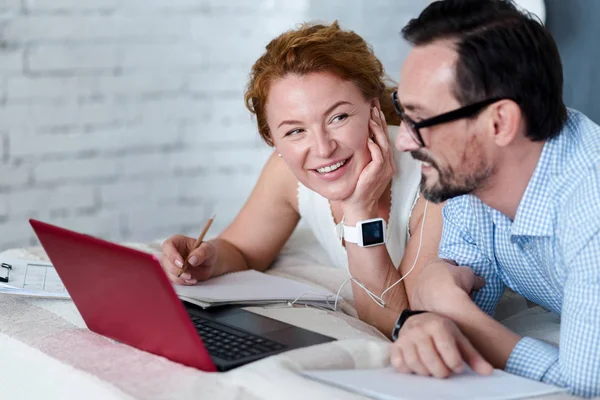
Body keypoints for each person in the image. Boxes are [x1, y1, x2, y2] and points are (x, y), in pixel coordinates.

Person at [160, 22, 444, 337]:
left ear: (374, 109)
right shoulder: (285, 171)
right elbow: (243, 249)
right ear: (273, 140)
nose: (323, 148)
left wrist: (359, 211)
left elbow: (398, 324)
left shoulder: (434, 179)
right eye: (295, 131)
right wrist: (210, 257)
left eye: (338, 117)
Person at [389, 0, 600, 397]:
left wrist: (457, 315)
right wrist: (432, 307)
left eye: (421, 120)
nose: (403, 141)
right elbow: (462, 284)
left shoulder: (591, 205)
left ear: (499, 123)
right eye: (402, 111)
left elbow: (586, 386)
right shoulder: (472, 182)